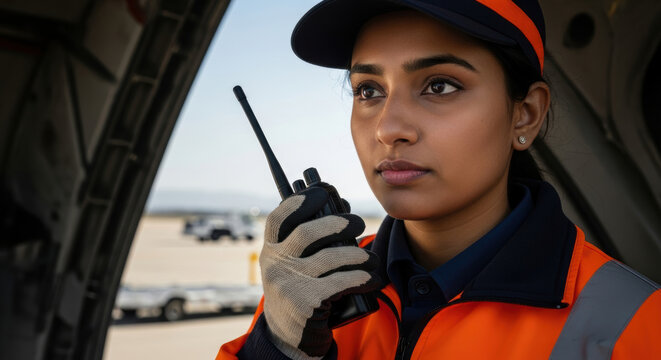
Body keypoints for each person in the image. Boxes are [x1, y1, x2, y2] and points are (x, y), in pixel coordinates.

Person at [218, 1, 661, 359]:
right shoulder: (312, 290)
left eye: (440, 86)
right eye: (368, 90)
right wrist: (273, 349)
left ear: (525, 114)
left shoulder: (638, 325)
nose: (388, 128)